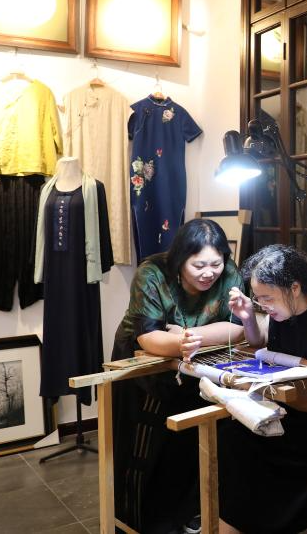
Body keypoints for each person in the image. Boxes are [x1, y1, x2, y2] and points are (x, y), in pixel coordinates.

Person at [111, 218, 247, 534]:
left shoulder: (228, 272)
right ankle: (138, 524)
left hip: (194, 361)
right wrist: (182, 342)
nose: (209, 272)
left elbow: (236, 327)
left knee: (187, 445)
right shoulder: (152, 273)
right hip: (145, 364)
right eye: (199, 265)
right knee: (143, 449)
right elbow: (148, 337)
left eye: (216, 264)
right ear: (180, 258)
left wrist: (188, 336)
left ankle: (184, 518)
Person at [218, 244, 307, 534]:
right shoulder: (284, 312)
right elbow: (259, 344)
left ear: (294, 287)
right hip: (285, 409)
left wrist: (273, 390)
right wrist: (248, 317)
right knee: (231, 434)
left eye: (267, 298)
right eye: (258, 298)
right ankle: (235, 523)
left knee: (253, 448)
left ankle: (267, 525)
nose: (263, 305)